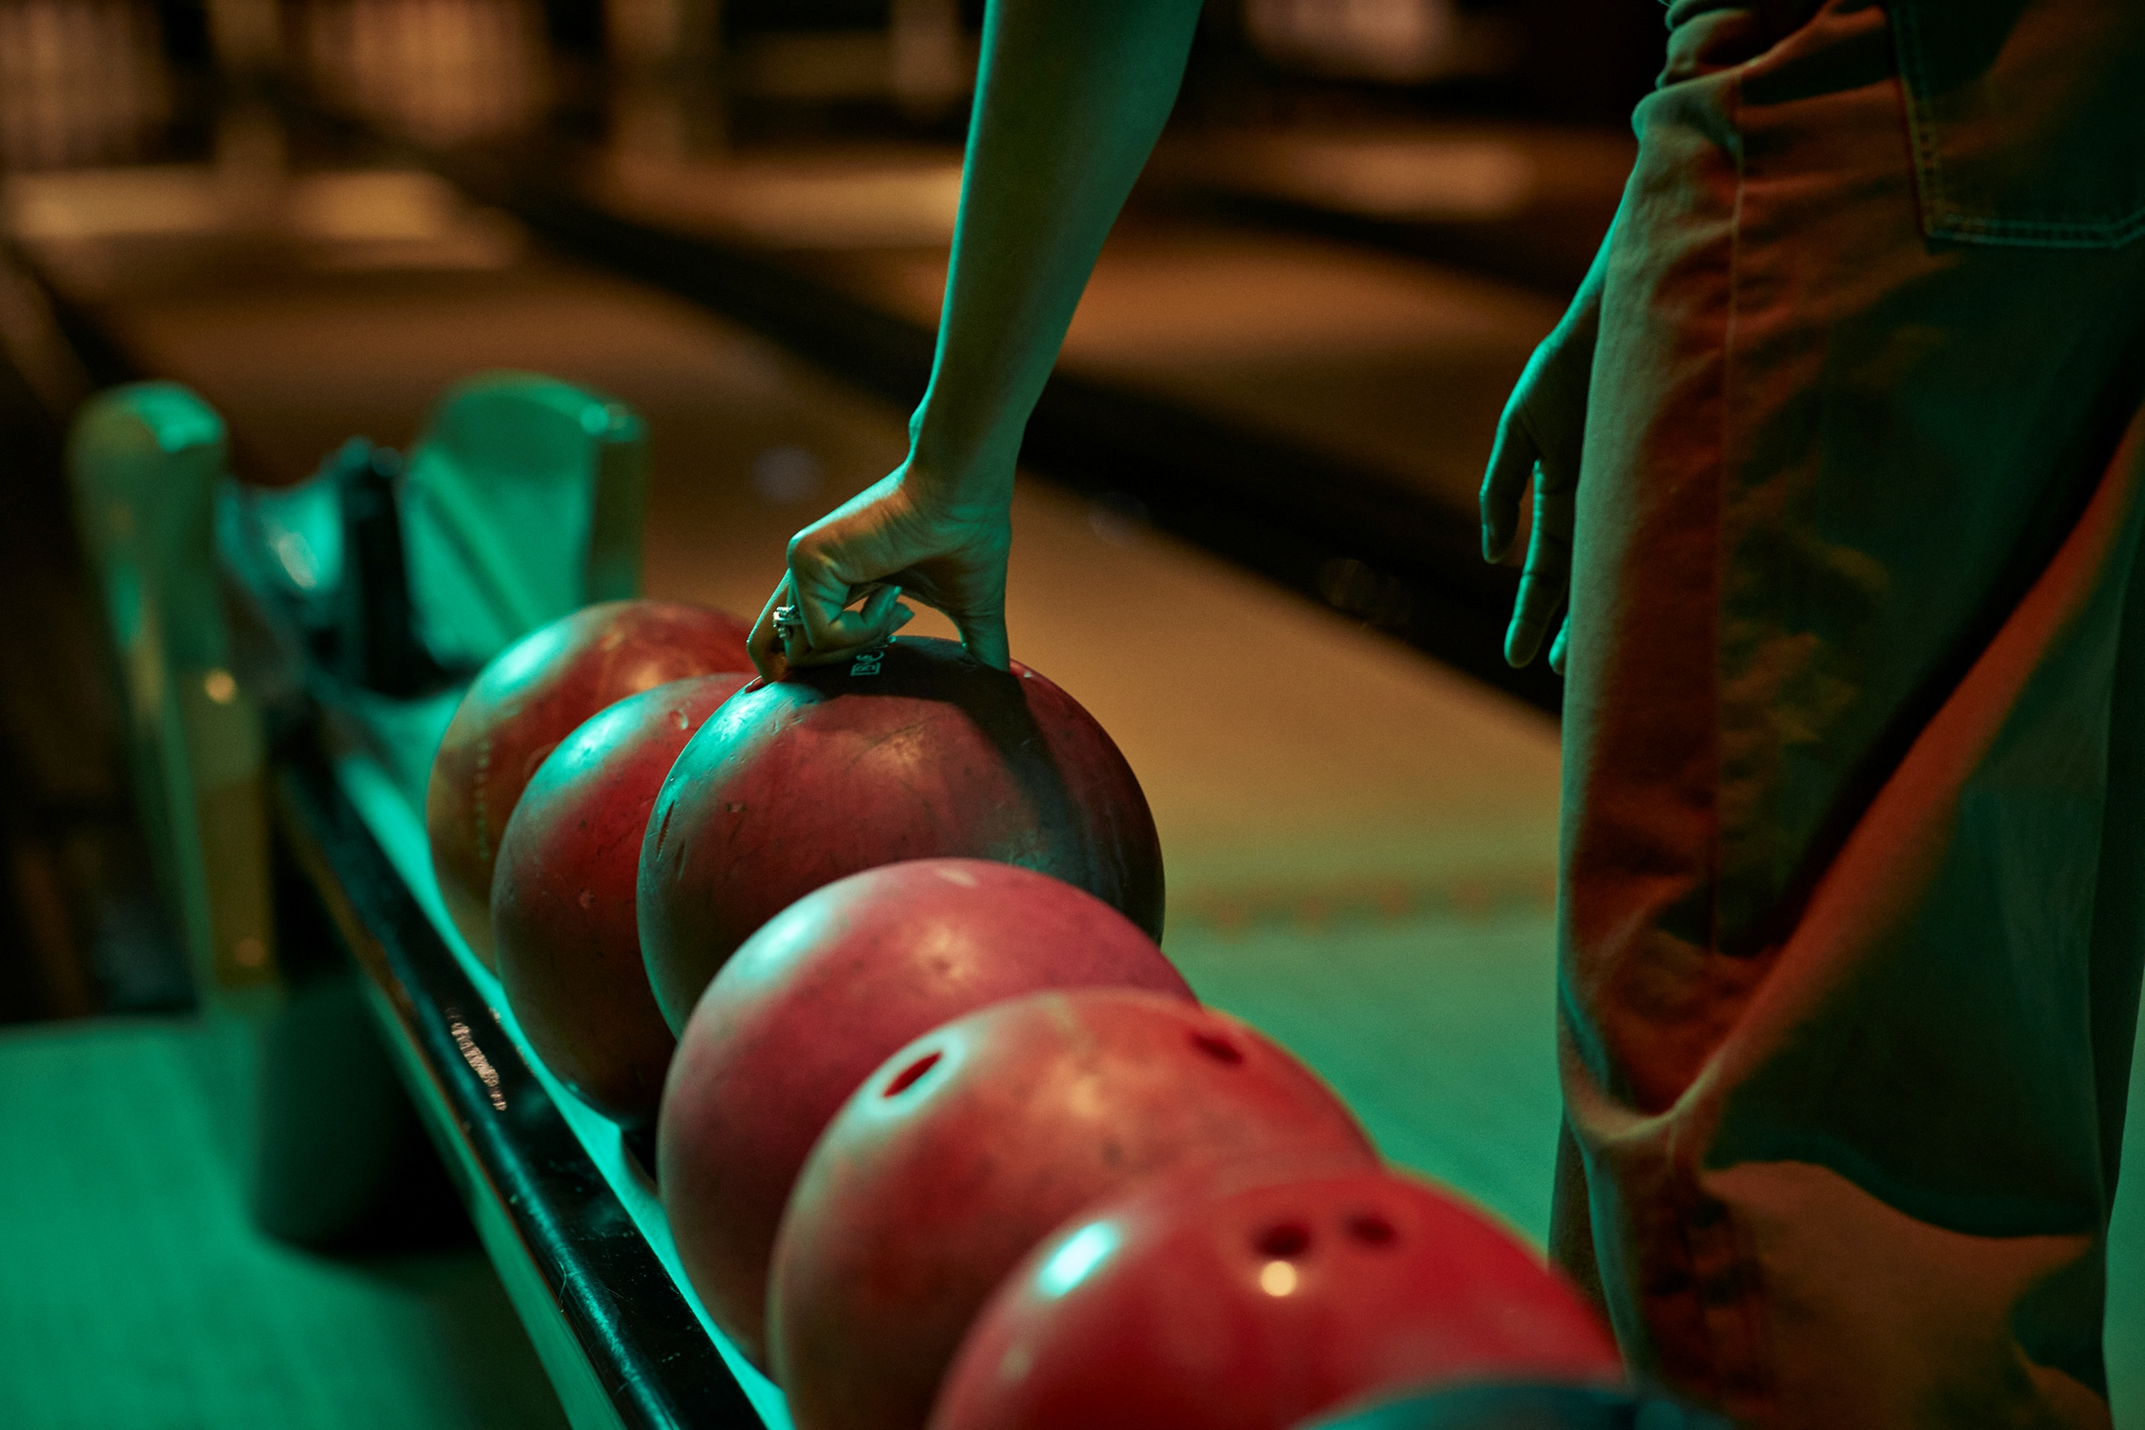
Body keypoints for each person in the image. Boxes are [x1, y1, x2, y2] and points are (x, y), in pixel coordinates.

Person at [746, 2, 2145, 1423]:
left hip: (1859, 68)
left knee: (1777, 1101)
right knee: (1962, 1008)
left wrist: (954, 458)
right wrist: (1670, 236)